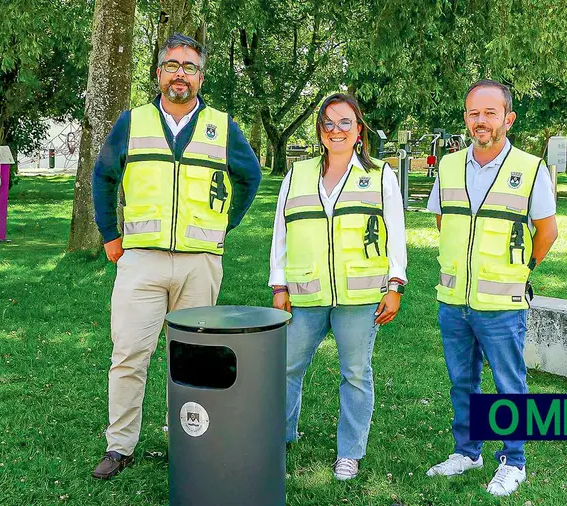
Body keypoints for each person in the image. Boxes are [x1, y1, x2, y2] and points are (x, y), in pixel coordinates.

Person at [90, 33, 262, 480]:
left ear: (200, 77)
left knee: (193, 358)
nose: (179, 73)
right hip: (140, 261)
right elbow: (104, 175)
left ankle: (186, 442)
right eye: (172, 65)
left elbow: (250, 176)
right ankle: (120, 446)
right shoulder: (133, 121)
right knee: (129, 354)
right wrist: (111, 234)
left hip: (198, 262)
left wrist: (224, 223)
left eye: (189, 66)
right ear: (158, 73)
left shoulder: (223, 126)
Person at [423, 79, 558, 497]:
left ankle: (513, 461)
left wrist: (523, 269)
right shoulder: (447, 166)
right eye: (473, 113)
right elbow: (443, 220)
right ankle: (468, 451)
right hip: (454, 300)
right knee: (462, 381)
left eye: (489, 113)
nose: (480, 121)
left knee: (508, 383)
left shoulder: (531, 168)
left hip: (502, 302)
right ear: (466, 118)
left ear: (508, 118)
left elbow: (548, 231)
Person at [270, 93, 408, 481]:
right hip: (305, 293)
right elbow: (280, 233)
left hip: (360, 297)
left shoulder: (381, 175)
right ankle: (279, 436)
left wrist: (396, 282)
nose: (336, 130)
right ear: (319, 130)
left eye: (345, 122)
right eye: (328, 123)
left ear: (359, 129)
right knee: (285, 367)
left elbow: (396, 233)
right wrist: (279, 284)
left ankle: (349, 452)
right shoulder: (297, 175)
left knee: (355, 373)